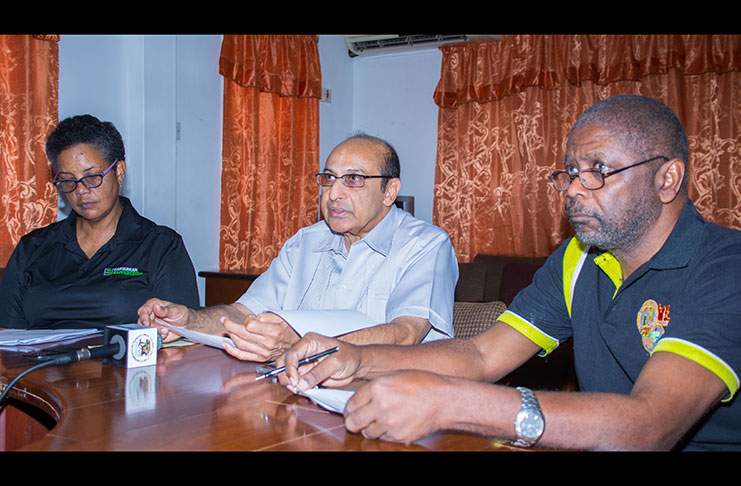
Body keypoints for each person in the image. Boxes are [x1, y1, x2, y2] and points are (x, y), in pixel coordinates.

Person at [280, 95, 741, 451]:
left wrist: (451, 402)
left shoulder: (724, 266)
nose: (575, 192)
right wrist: (355, 358)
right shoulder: (577, 258)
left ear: (668, 179)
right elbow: (481, 356)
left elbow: (650, 426)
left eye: (598, 171)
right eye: (569, 173)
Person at [138, 134, 458, 363]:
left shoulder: (426, 244)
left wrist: (300, 345)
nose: (334, 193)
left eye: (354, 180)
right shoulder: (306, 241)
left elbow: (404, 335)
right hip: (295, 390)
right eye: (329, 179)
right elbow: (244, 312)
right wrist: (188, 321)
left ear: (390, 191)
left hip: (389, 398)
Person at [0, 115, 199, 329]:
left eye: (92, 177)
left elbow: (181, 339)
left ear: (119, 172)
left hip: (123, 362)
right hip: (42, 362)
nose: (81, 190)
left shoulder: (161, 246)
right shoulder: (34, 247)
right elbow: (8, 335)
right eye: (68, 180)